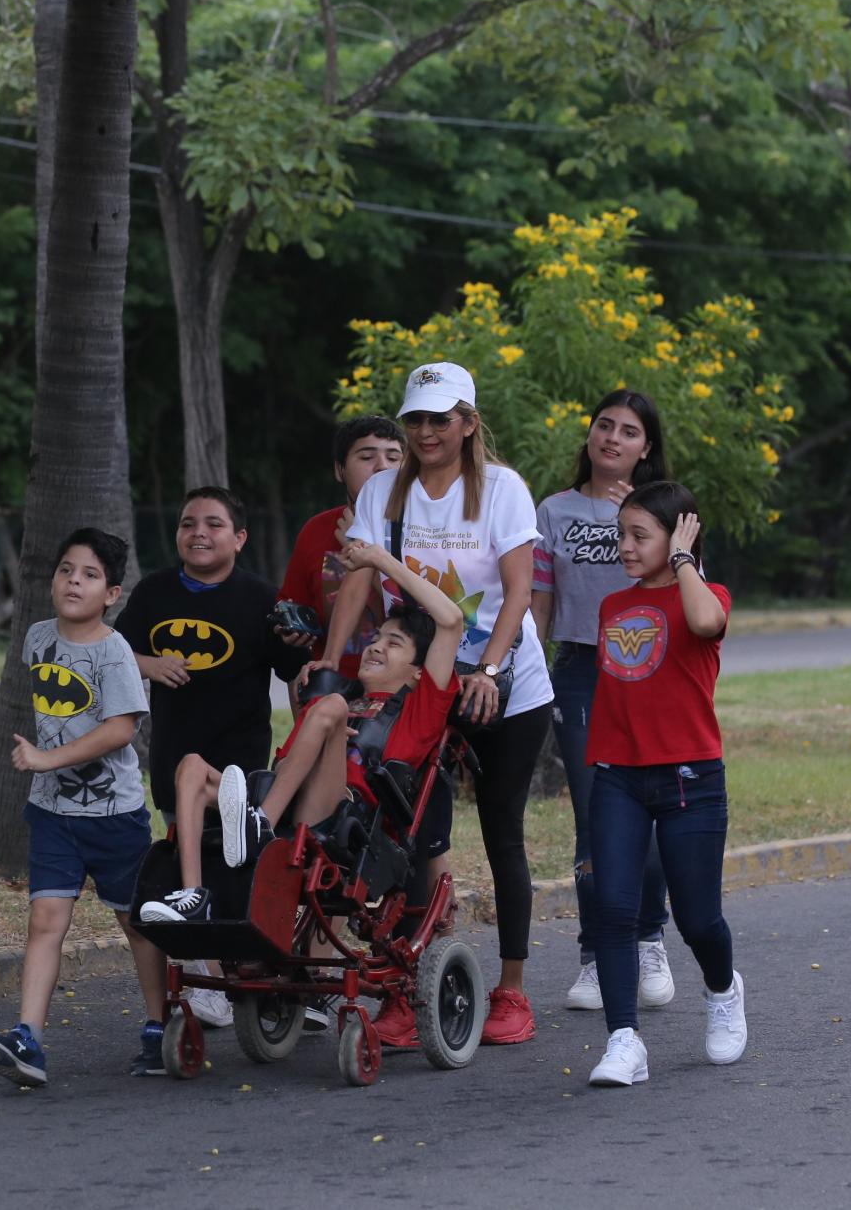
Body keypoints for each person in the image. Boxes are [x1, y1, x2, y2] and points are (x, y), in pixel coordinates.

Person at [319, 361, 556, 1047]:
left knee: (502, 831)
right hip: (420, 686)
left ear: (467, 423)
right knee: (405, 834)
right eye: (415, 419)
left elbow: (516, 592)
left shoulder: (502, 489)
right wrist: (331, 665)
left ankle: (511, 987)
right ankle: (403, 984)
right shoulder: (385, 492)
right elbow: (359, 584)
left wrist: (488, 667)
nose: (425, 431)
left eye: (439, 418)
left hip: (502, 685)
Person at [140, 535, 463, 922]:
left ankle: (258, 827)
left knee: (331, 708)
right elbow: (288, 760)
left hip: (345, 818)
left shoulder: (419, 706)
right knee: (191, 766)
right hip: (288, 801)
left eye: (393, 643)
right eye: (376, 638)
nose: (375, 647)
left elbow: (451, 620)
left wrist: (379, 560)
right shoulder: (334, 698)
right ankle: (193, 896)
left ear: (416, 672)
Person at [0, 529, 168, 1085]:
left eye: (88, 574)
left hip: (113, 814)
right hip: (53, 812)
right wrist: (45, 768)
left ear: (112, 593)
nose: (73, 581)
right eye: (65, 569)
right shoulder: (37, 637)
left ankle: (158, 1026)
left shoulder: (114, 652)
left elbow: (121, 730)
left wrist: (48, 760)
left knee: (135, 923)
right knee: (45, 921)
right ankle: (28, 1038)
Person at [115, 487, 311, 1025]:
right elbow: (112, 652)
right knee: (185, 859)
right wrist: (150, 665)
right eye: (187, 523)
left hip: (239, 762)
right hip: (175, 753)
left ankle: (259, 970)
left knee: (240, 865)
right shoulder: (154, 592)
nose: (198, 532)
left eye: (213, 524)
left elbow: (295, 675)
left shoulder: (261, 599)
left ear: (239, 538)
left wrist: (300, 745)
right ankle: (209, 982)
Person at [584, 481, 747, 1087]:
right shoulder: (612, 606)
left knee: (698, 920)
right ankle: (624, 1041)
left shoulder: (707, 597)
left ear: (678, 537)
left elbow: (705, 621)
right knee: (614, 909)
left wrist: (683, 560)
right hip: (619, 777)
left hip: (691, 777)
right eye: (620, 534)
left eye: (638, 535)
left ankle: (723, 988)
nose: (624, 546)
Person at [530, 388, 676, 1015]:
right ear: (589, 434)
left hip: (649, 665)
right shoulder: (553, 509)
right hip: (581, 668)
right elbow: (538, 597)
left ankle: (648, 938)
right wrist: (527, 667)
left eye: (630, 432)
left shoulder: (661, 509)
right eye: (604, 426)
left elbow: (686, 591)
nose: (613, 438)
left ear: (647, 448)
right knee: (595, 815)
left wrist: (642, 525)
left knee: (648, 811)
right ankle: (594, 955)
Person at [277, 416, 406, 680]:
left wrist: (361, 553)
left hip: (403, 686)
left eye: (394, 458)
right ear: (340, 470)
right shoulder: (316, 530)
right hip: (336, 681)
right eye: (367, 457)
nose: (382, 467)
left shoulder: (424, 530)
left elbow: (422, 618)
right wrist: (292, 628)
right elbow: (293, 604)